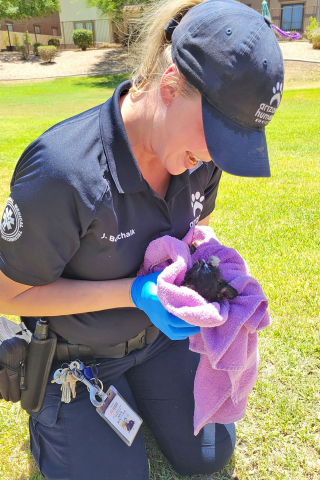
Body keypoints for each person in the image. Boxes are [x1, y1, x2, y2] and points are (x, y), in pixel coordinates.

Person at [0, 0, 284, 478]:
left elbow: (188, 231)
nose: (215, 156)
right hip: (76, 354)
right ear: (170, 86)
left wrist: (207, 261)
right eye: (216, 134)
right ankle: (50, 414)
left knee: (209, 454)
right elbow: (8, 292)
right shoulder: (63, 171)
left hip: (156, 341)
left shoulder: (201, 160)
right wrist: (131, 292)